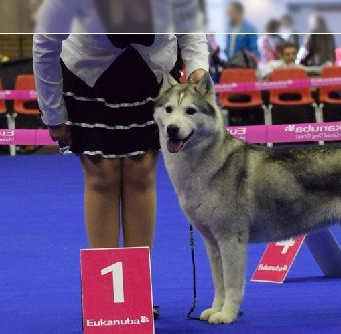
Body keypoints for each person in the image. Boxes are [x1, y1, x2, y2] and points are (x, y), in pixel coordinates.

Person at [33, 1, 209, 253]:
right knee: (102, 175)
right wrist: (53, 113)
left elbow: (190, 23)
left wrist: (198, 68)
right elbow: (45, 45)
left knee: (140, 172)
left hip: (152, 73)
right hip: (89, 73)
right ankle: (106, 283)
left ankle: (136, 282)